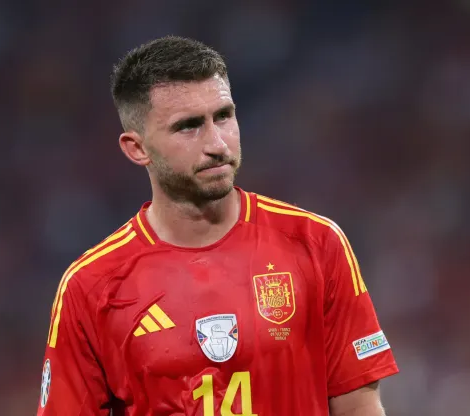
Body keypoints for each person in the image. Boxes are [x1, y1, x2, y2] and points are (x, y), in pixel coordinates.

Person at [37, 35, 398, 416]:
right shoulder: (92, 286)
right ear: (136, 148)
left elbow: (359, 407)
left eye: (223, 116)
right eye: (188, 126)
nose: (217, 143)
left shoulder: (315, 244)